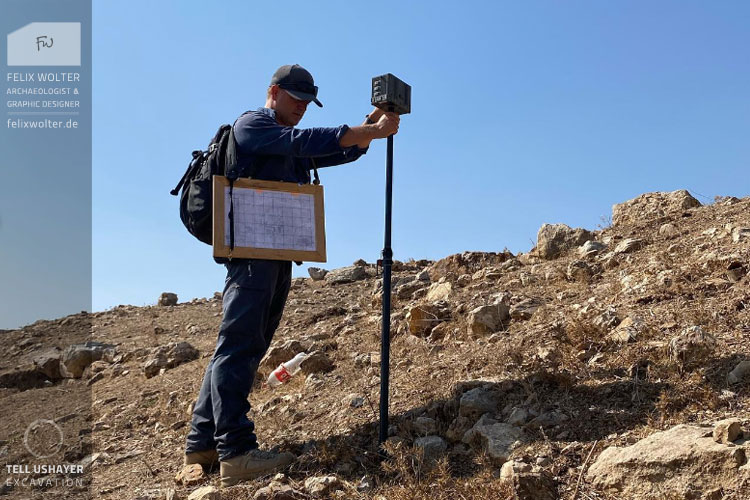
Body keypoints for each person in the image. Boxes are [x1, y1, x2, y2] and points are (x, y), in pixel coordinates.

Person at [183, 64, 399, 487]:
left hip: (275, 251)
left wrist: (371, 127)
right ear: (273, 92)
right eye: (295, 99)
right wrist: (362, 131)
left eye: (306, 103)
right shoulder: (253, 125)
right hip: (250, 251)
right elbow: (305, 141)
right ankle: (236, 452)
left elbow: (340, 150)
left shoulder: (283, 141)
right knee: (240, 343)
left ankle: (202, 443)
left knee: (246, 342)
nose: (301, 109)